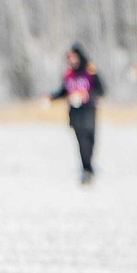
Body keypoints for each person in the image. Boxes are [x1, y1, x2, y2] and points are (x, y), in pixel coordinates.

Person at [50, 45, 103, 184]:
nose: (70, 60)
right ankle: (86, 169)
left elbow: (101, 90)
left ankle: (89, 166)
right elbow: (64, 91)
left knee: (90, 140)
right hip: (75, 113)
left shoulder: (89, 70)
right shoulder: (69, 74)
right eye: (68, 58)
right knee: (82, 142)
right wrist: (51, 97)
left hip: (89, 110)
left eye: (72, 57)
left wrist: (86, 95)